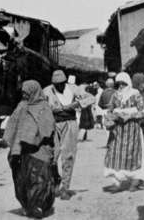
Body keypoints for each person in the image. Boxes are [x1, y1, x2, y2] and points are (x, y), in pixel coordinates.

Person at [4, 80, 57, 219]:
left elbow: (48, 128)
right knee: (22, 180)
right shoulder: (21, 106)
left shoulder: (44, 108)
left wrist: (35, 135)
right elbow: (13, 127)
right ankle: (27, 205)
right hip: (22, 152)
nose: (25, 96)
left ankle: (38, 206)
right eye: (23, 93)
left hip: (40, 151)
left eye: (27, 93)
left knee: (40, 179)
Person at [43, 70, 94, 200]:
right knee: (51, 156)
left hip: (70, 123)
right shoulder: (47, 91)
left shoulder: (73, 89)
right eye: (56, 84)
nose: (59, 86)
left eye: (61, 83)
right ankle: (56, 180)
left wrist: (76, 104)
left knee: (68, 155)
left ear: (65, 82)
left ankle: (65, 187)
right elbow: (41, 107)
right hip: (53, 124)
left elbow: (91, 98)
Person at [103, 72, 144, 193]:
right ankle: (116, 183)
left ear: (128, 82)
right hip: (118, 130)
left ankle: (134, 182)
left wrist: (130, 115)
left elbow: (143, 111)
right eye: (119, 83)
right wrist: (112, 116)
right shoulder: (115, 95)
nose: (121, 86)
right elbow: (109, 110)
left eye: (123, 83)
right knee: (114, 154)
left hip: (132, 130)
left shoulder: (135, 94)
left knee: (132, 155)